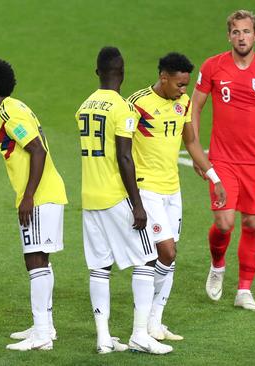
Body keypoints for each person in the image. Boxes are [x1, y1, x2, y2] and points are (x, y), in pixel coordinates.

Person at [76, 46, 172, 355]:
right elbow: (124, 157)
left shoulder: (84, 106)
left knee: (100, 267)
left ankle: (104, 339)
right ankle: (140, 335)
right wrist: (138, 204)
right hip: (116, 197)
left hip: (89, 197)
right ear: (123, 72)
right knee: (146, 260)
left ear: (98, 72)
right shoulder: (123, 109)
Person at [129, 52, 226, 340]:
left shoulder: (181, 103)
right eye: (180, 85)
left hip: (173, 190)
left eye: (186, 85)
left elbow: (192, 140)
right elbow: (120, 147)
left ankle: (155, 321)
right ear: (164, 77)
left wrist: (213, 175)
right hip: (147, 189)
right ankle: (144, 319)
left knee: (171, 256)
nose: (184, 91)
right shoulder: (138, 104)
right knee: (166, 251)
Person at [0, 58, 67, 351]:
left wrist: (28, 196)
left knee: (35, 259)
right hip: (47, 193)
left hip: (39, 196)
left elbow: (36, 150)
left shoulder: (9, 113)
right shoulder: (12, 108)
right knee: (41, 259)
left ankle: (41, 335)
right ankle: (45, 327)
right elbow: (16, 141)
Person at [192, 9, 255, 311]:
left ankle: (244, 290)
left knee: (252, 223)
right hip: (223, 160)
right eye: (236, 32)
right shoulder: (213, 67)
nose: (242, 37)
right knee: (225, 222)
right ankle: (217, 265)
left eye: (247, 31)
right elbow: (196, 107)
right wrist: (197, 149)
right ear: (229, 36)